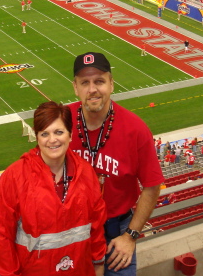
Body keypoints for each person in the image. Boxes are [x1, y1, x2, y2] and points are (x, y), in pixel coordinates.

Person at [0, 101, 107, 276]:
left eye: (59, 132)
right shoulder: (14, 176)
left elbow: (96, 226)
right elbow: (2, 236)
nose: (52, 140)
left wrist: (98, 264)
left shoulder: (86, 173)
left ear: (70, 135)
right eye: (44, 133)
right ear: (37, 137)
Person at [69, 52, 164, 275]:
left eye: (100, 81)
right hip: (72, 228)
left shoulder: (136, 129)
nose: (92, 89)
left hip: (116, 230)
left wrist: (130, 236)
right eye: (85, 82)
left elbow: (152, 186)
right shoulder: (61, 122)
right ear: (75, 88)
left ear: (112, 84)